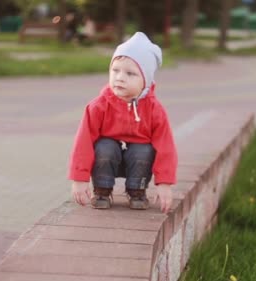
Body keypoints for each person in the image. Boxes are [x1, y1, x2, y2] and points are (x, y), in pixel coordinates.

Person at [68, 32, 177, 213]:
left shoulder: (154, 110)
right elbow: (83, 142)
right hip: (107, 160)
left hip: (138, 162)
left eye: (130, 73)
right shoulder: (98, 106)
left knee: (144, 149)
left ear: (146, 81)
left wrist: (164, 183)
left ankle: (137, 190)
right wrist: (79, 178)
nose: (120, 77)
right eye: (115, 70)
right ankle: (102, 190)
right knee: (104, 145)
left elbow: (166, 148)